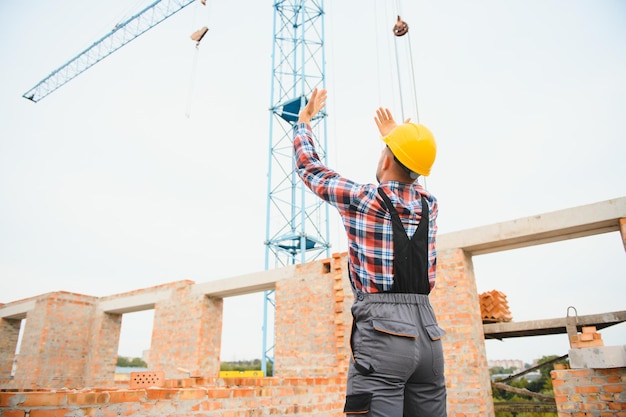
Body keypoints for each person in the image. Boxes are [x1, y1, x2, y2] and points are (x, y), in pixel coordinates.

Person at [293, 88, 447, 417]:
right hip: (430, 336)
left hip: (384, 335)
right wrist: (399, 139)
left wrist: (304, 121)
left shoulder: (364, 200)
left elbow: (311, 169)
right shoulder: (429, 205)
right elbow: (412, 180)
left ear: (387, 158)